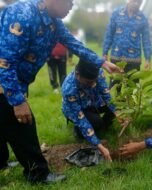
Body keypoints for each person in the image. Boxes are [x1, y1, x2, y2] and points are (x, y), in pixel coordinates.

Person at [0, 0, 119, 183]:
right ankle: (38, 174)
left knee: (2, 121)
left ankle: (1, 162)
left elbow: (74, 44)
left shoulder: (53, 22)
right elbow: (4, 62)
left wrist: (102, 62)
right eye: (69, 2)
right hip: (4, 79)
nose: (71, 7)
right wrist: (17, 101)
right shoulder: (23, 15)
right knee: (23, 125)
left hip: (16, 79)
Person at [62, 59, 117, 161]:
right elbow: (81, 118)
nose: (93, 85)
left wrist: (118, 113)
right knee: (94, 122)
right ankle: (80, 132)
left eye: (95, 81)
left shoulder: (97, 72)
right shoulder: (69, 89)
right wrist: (99, 146)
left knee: (114, 108)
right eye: (89, 82)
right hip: (78, 109)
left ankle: (100, 129)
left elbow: (106, 95)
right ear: (78, 74)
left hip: (94, 101)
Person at [102, 0, 152, 88]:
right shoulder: (116, 14)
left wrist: (148, 58)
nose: (136, 4)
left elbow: (146, 39)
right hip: (116, 58)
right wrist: (105, 52)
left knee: (132, 89)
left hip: (134, 60)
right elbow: (109, 33)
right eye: (134, 1)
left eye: (139, 2)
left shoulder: (143, 18)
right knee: (114, 86)